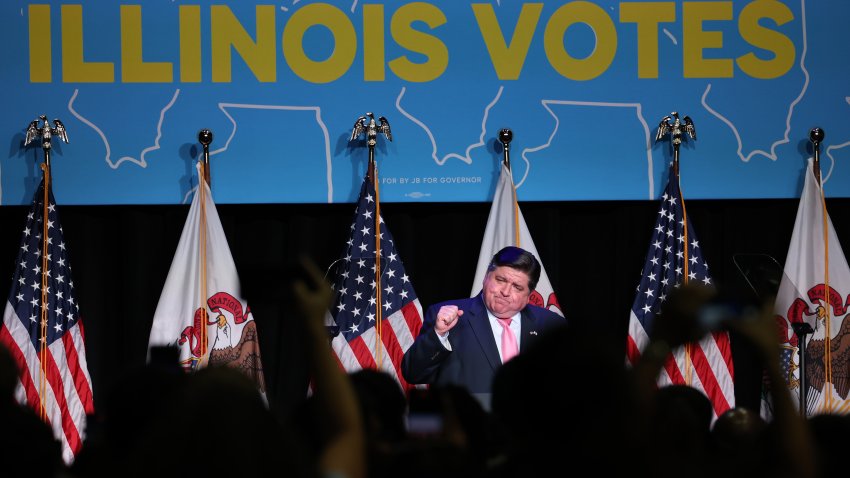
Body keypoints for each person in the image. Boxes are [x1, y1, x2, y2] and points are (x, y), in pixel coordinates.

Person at [401, 246, 564, 395]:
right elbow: (413, 373)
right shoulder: (447, 316)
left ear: (529, 296)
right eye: (501, 280)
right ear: (486, 277)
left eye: (517, 287)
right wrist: (439, 334)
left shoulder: (550, 324)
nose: (505, 292)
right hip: (469, 424)